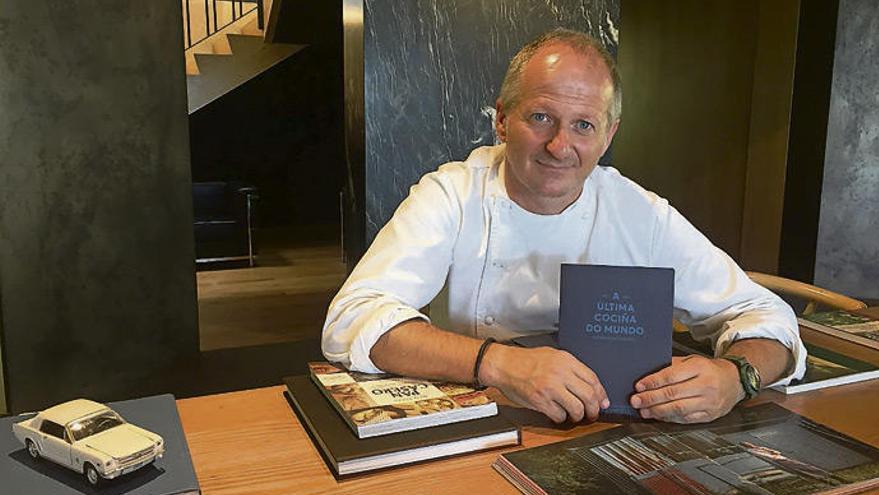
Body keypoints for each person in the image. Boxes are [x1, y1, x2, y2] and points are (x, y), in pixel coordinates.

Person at [322, 29, 807, 425]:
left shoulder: (641, 212)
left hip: (617, 427)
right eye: (540, 117)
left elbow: (766, 316)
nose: (560, 146)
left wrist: (736, 375)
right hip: (485, 421)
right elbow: (354, 317)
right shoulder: (452, 194)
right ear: (502, 120)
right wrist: (499, 362)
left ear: (609, 135)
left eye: (583, 125)